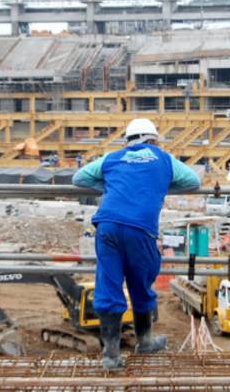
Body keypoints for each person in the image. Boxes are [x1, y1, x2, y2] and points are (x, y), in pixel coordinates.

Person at [72, 118, 201, 369]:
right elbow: (193, 182)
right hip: (140, 229)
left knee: (108, 285)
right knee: (140, 286)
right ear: (153, 140)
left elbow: (79, 179)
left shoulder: (112, 157)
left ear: (128, 140)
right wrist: (158, 186)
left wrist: (110, 186)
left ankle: (110, 356)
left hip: (107, 226)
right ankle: (145, 342)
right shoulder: (163, 158)